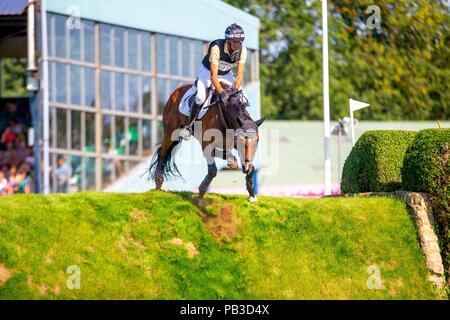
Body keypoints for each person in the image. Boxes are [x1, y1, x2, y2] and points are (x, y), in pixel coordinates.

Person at [179, 23, 248, 140]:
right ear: (228, 40)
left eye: (239, 41)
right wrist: (221, 91)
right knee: (200, 97)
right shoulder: (216, 48)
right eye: (235, 41)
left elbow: (240, 75)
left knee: (244, 97)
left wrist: (235, 90)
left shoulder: (242, 50)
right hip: (208, 72)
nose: (237, 44)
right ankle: (188, 127)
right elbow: (213, 76)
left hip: (226, 74)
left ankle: (240, 126)